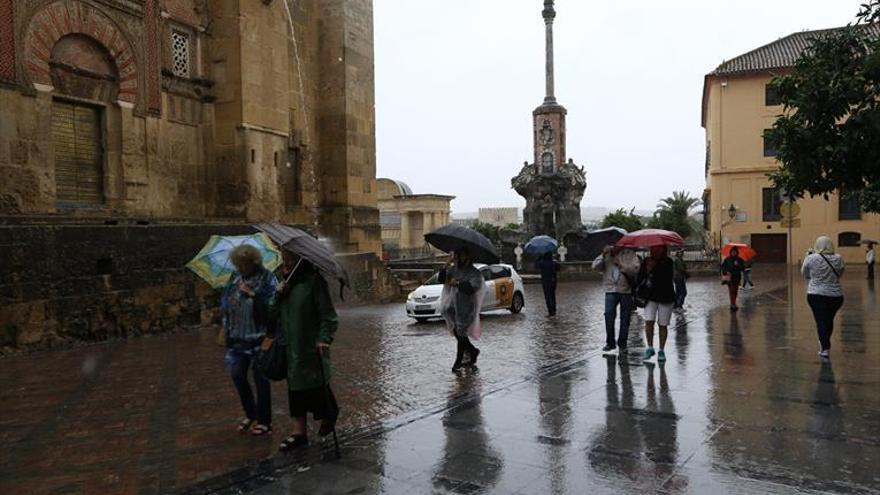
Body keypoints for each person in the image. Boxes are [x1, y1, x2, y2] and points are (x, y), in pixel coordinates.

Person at [272, 250, 340, 451]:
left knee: (316, 385)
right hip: (290, 346)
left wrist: (324, 338)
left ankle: (330, 413)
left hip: (310, 347)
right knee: (295, 389)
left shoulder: (314, 283)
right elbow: (270, 313)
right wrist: (278, 296)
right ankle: (298, 432)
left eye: (290, 260)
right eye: (284, 260)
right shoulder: (283, 285)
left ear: (301, 262)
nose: (286, 264)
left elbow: (329, 316)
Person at [220, 244, 278, 437]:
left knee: (261, 379)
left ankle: (264, 421)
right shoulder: (234, 277)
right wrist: (225, 319)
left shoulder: (267, 278)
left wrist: (253, 295)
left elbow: (273, 306)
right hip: (236, 338)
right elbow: (226, 299)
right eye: (238, 264)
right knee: (237, 376)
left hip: (258, 338)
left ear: (254, 262)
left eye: (244, 264)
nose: (241, 267)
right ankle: (250, 413)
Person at [439, 248, 485, 372]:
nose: (461, 258)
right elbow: (442, 279)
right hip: (452, 306)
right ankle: (473, 351)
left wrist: (458, 284)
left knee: (461, 333)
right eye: (459, 256)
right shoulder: (454, 270)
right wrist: (446, 264)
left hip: (466, 306)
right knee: (458, 333)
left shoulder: (474, 272)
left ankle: (458, 361)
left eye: (463, 256)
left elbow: (473, 287)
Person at [802, 236, 845, 360]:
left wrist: (808, 256)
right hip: (835, 295)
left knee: (820, 320)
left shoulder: (811, 258)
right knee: (828, 320)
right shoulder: (838, 258)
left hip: (816, 293)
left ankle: (825, 347)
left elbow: (804, 273)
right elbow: (840, 274)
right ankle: (824, 343)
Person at [592, 245, 640, 354]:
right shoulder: (606, 255)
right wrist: (603, 255)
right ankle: (610, 343)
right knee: (608, 315)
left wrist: (621, 264)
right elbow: (595, 267)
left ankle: (622, 344)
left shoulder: (629, 253)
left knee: (625, 318)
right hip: (610, 289)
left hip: (625, 290)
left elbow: (635, 269)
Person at [639, 245, 675, 362]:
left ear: (664, 249)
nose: (656, 250)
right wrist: (648, 269)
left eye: (659, 248)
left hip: (666, 296)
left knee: (662, 324)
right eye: (654, 248)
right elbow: (640, 278)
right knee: (649, 321)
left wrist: (655, 267)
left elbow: (667, 278)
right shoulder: (646, 261)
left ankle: (661, 350)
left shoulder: (668, 262)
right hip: (650, 296)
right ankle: (649, 347)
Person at [536, 252, 561, 316]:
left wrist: (539, 258)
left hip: (545, 282)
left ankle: (550, 311)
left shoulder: (542, 263)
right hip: (553, 281)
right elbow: (559, 268)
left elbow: (536, 265)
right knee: (552, 296)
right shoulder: (554, 263)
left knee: (547, 297)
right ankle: (554, 310)